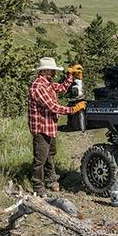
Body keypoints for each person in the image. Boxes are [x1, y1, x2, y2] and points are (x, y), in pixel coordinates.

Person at [28, 57, 86, 197]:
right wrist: (73, 109)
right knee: (40, 159)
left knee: (50, 154)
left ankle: (51, 179)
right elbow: (52, 107)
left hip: (49, 126)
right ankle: (38, 187)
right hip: (41, 127)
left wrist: (71, 76)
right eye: (52, 71)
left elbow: (62, 88)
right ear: (45, 71)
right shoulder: (38, 87)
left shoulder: (47, 83)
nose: (54, 73)